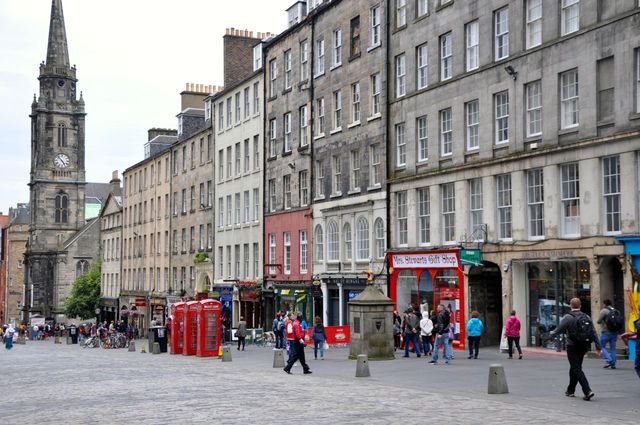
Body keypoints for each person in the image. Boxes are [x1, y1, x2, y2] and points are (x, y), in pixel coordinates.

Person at [550, 297, 601, 401]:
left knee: (576, 368)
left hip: (572, 346)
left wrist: (549, 336)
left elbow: (558, 330)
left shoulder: (568, 317)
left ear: (570, 305)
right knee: (575, 367)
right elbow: (593, 332)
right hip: (583, 345)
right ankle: (570, 390)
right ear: (580, 305)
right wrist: (598, 346)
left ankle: (587, 391)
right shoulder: (586, 316)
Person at [596, 299, 621, 369]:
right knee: (613, 348)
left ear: (604, 304)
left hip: (606, 332)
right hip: (615, 332)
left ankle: (609, 360)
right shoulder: (615, 310)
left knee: (601, 346)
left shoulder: (604, 311)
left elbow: (599, 321)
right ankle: (613, 364)